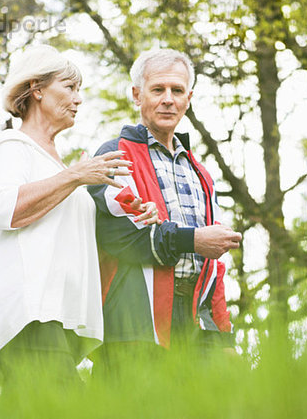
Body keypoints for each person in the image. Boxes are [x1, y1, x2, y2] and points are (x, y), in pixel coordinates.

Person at [0, 45, 159, 387]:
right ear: (37, 89)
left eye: (79, 90)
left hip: (57, 324)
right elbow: (5, 208)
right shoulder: (10, 147)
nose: (78, 99)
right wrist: (75, 175)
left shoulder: (60, 168)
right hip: (25, 316)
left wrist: (133, 215)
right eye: (70, 87)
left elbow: (76, 237)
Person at [87, 48, 242, 374]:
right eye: (158, 89)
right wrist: (194, 239)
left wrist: (223, 338)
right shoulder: (115, 155)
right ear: (136, 95)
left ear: (189, 98)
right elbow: (123, 238)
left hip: (194, 329)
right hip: (134, 326)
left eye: (177, 90)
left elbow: (213, 266)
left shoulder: (201, 173)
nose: (168, 99)